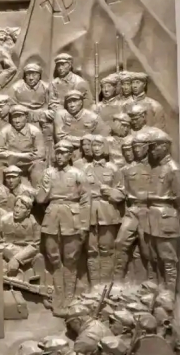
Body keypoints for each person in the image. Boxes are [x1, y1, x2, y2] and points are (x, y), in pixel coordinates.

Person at [35, 139, 87, 316]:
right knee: (54, 258)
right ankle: (59, 295)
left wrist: (84, 225)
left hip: (72, 217)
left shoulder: (78, 174)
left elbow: (86, 200)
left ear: (70, 155)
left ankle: (69, 298)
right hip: (52, 217)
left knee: (71, 260)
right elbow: (40, 199)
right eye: (57, 153)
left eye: (64, 153)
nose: (60, 156)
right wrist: (46, 185)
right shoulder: (48, 173)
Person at [80, 134, 125, 287]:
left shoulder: (113, 168)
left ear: (105, 147)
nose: (96, 148)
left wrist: (111, 192)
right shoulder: (85, 168)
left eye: (99, 145)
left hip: (108, 212)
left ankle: (105, 286)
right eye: (94, 145)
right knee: (91, 250)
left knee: (107, 249)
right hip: (89, 212)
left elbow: (122, 193)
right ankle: (94, 286)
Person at [146, 129, 180, 292]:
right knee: (154, 256)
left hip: (166, 217)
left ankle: (169, 292)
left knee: (168, 258)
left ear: (164, 146)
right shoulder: (156, 168)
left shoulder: (173, 169)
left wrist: (172, 216)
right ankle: (158, 288)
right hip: (153, 217)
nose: (152, 150)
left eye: (154, 146)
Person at [113, 131, 154, 284]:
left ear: (147, 147)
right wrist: (112, 193)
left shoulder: (155, 168)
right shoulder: (126, 170)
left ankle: (151, 282)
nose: (136, 150)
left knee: (147, 249)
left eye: (139, 146)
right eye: (134, 147)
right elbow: (121, 191)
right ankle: (117, 282)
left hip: (149, 212)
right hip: (132, 211)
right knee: (120, 243)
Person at [0, 102, 45, 184]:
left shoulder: (35, 131)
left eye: (20, 117)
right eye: (14, 117)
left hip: (29, 164)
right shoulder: (4, 131)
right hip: (10, 163)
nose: (17, 121)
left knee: (39, 165)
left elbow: (40, 154)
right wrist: (23, 156)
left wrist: (12, 155)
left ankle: (37, 190)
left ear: (26, 117)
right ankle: (0, 190)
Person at [0, 193, 41, 278]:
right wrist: (10, 256)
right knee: (0, 264)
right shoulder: (4, 220)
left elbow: (36, 245)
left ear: (28, 212)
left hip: (26, 253)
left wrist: (17, 258)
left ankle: (37, 282)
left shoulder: (34, 223)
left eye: (22, 208)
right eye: (16, 206)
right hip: (7, 252)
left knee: (39, 258)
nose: (17, 210)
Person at [52, 89, 104, 160]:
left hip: (87, 154)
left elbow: (100, 139)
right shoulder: (61, 115)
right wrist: (85, 141)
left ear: (81, 102)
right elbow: (60, 138)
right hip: (65, 153)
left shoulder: (92, 117)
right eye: (69, 102)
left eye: (75, 101)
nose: (72, 105)